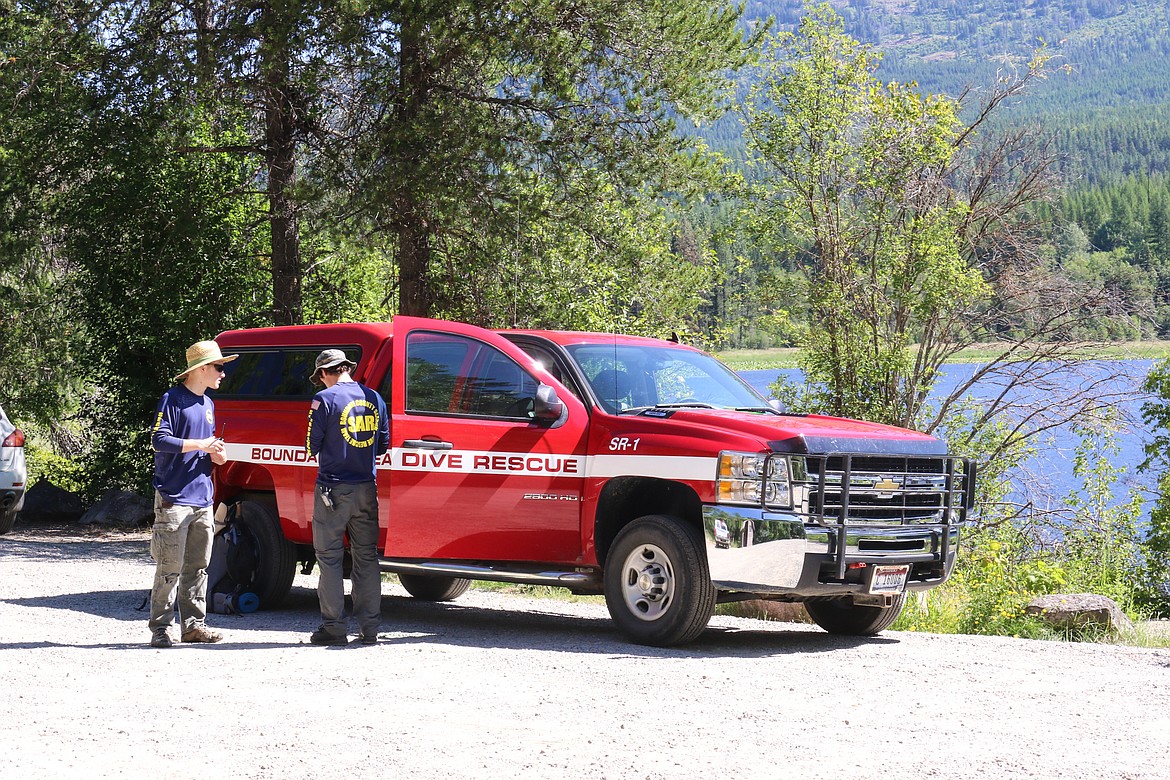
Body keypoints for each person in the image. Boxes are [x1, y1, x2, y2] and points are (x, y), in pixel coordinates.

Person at [147, 340, 237, 648]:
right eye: (219, 367)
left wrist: (218, 455)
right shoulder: (172, 399)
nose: (223, 373)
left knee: (198, 567)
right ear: (201, 369)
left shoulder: (209, 404)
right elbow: (159, 440)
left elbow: (207, 449)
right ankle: (160, 628)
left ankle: (194, 626)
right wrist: (201, 444)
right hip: (174, 497)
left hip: (202, 498)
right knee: (169, 568)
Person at [305, 349, 389, 646]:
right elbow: (382, 446)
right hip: (367, 488)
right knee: (366, 558)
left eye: (320, 377)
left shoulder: (323, 399)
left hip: (333, 489)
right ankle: (370, 630)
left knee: (329, 559)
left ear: (327, 373)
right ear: (346, 369)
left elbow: (310, 445)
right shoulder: (374, 397)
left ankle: (334, 628)